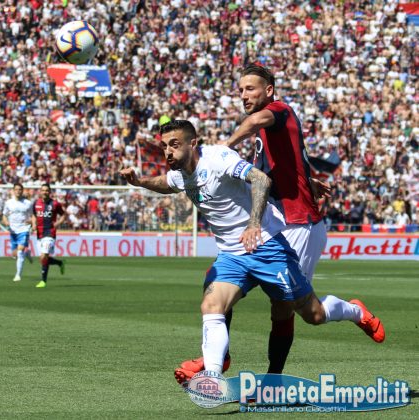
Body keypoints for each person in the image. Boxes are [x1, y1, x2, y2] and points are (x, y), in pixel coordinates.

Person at [121, 120, 384, 381]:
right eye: (165, 146)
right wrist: (140, 181)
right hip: (232, 256)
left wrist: (254, 224)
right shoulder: (181, 172)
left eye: (174, 145)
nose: (168, 152)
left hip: (267, 247)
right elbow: (168, 183)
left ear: (193, 143)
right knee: (211, 305)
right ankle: (212, 377)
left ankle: (355, 311)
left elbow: (260, 179)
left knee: (313, 314)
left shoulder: (218, 158)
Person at [177, 63, 332, 380]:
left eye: (250, 89)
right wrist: (305, 179)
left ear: (269, 90)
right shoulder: (268, 130)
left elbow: (254, 121)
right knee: (218, 280)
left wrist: (225, 147)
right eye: (241, 90)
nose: (243, 95)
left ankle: (274, 378)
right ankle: (219, 357)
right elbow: (280, 164)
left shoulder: (277, 111)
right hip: (275, 219)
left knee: (293, 308)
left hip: (299, 222)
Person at [31, 184, 66, 288]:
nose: (44, 192)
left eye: (47, 190)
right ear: (40, 191)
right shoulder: (36, 203)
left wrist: (58, 223)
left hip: (50, 233)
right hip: (39, 234)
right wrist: (33, 224)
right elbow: (34, 215)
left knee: (44, 256)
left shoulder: (55, 204)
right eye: (43, 190)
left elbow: (63, 215)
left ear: (50, 192)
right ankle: (60, 263)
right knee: (43, 259)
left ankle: (43, 281)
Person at [2, 183, 33, 282]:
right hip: (13, 231)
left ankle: (18, 275)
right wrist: (6, 222)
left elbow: (33, 216)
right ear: (13, 190)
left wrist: (31, 222)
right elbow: (4, 215)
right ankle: (27, 253)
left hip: (24, 229)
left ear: (22, 191)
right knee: (14, 255)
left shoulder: (28, 203)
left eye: (20, 189)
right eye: (16, 189)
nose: (18, 191)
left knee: (19, 252)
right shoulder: (8, 203)